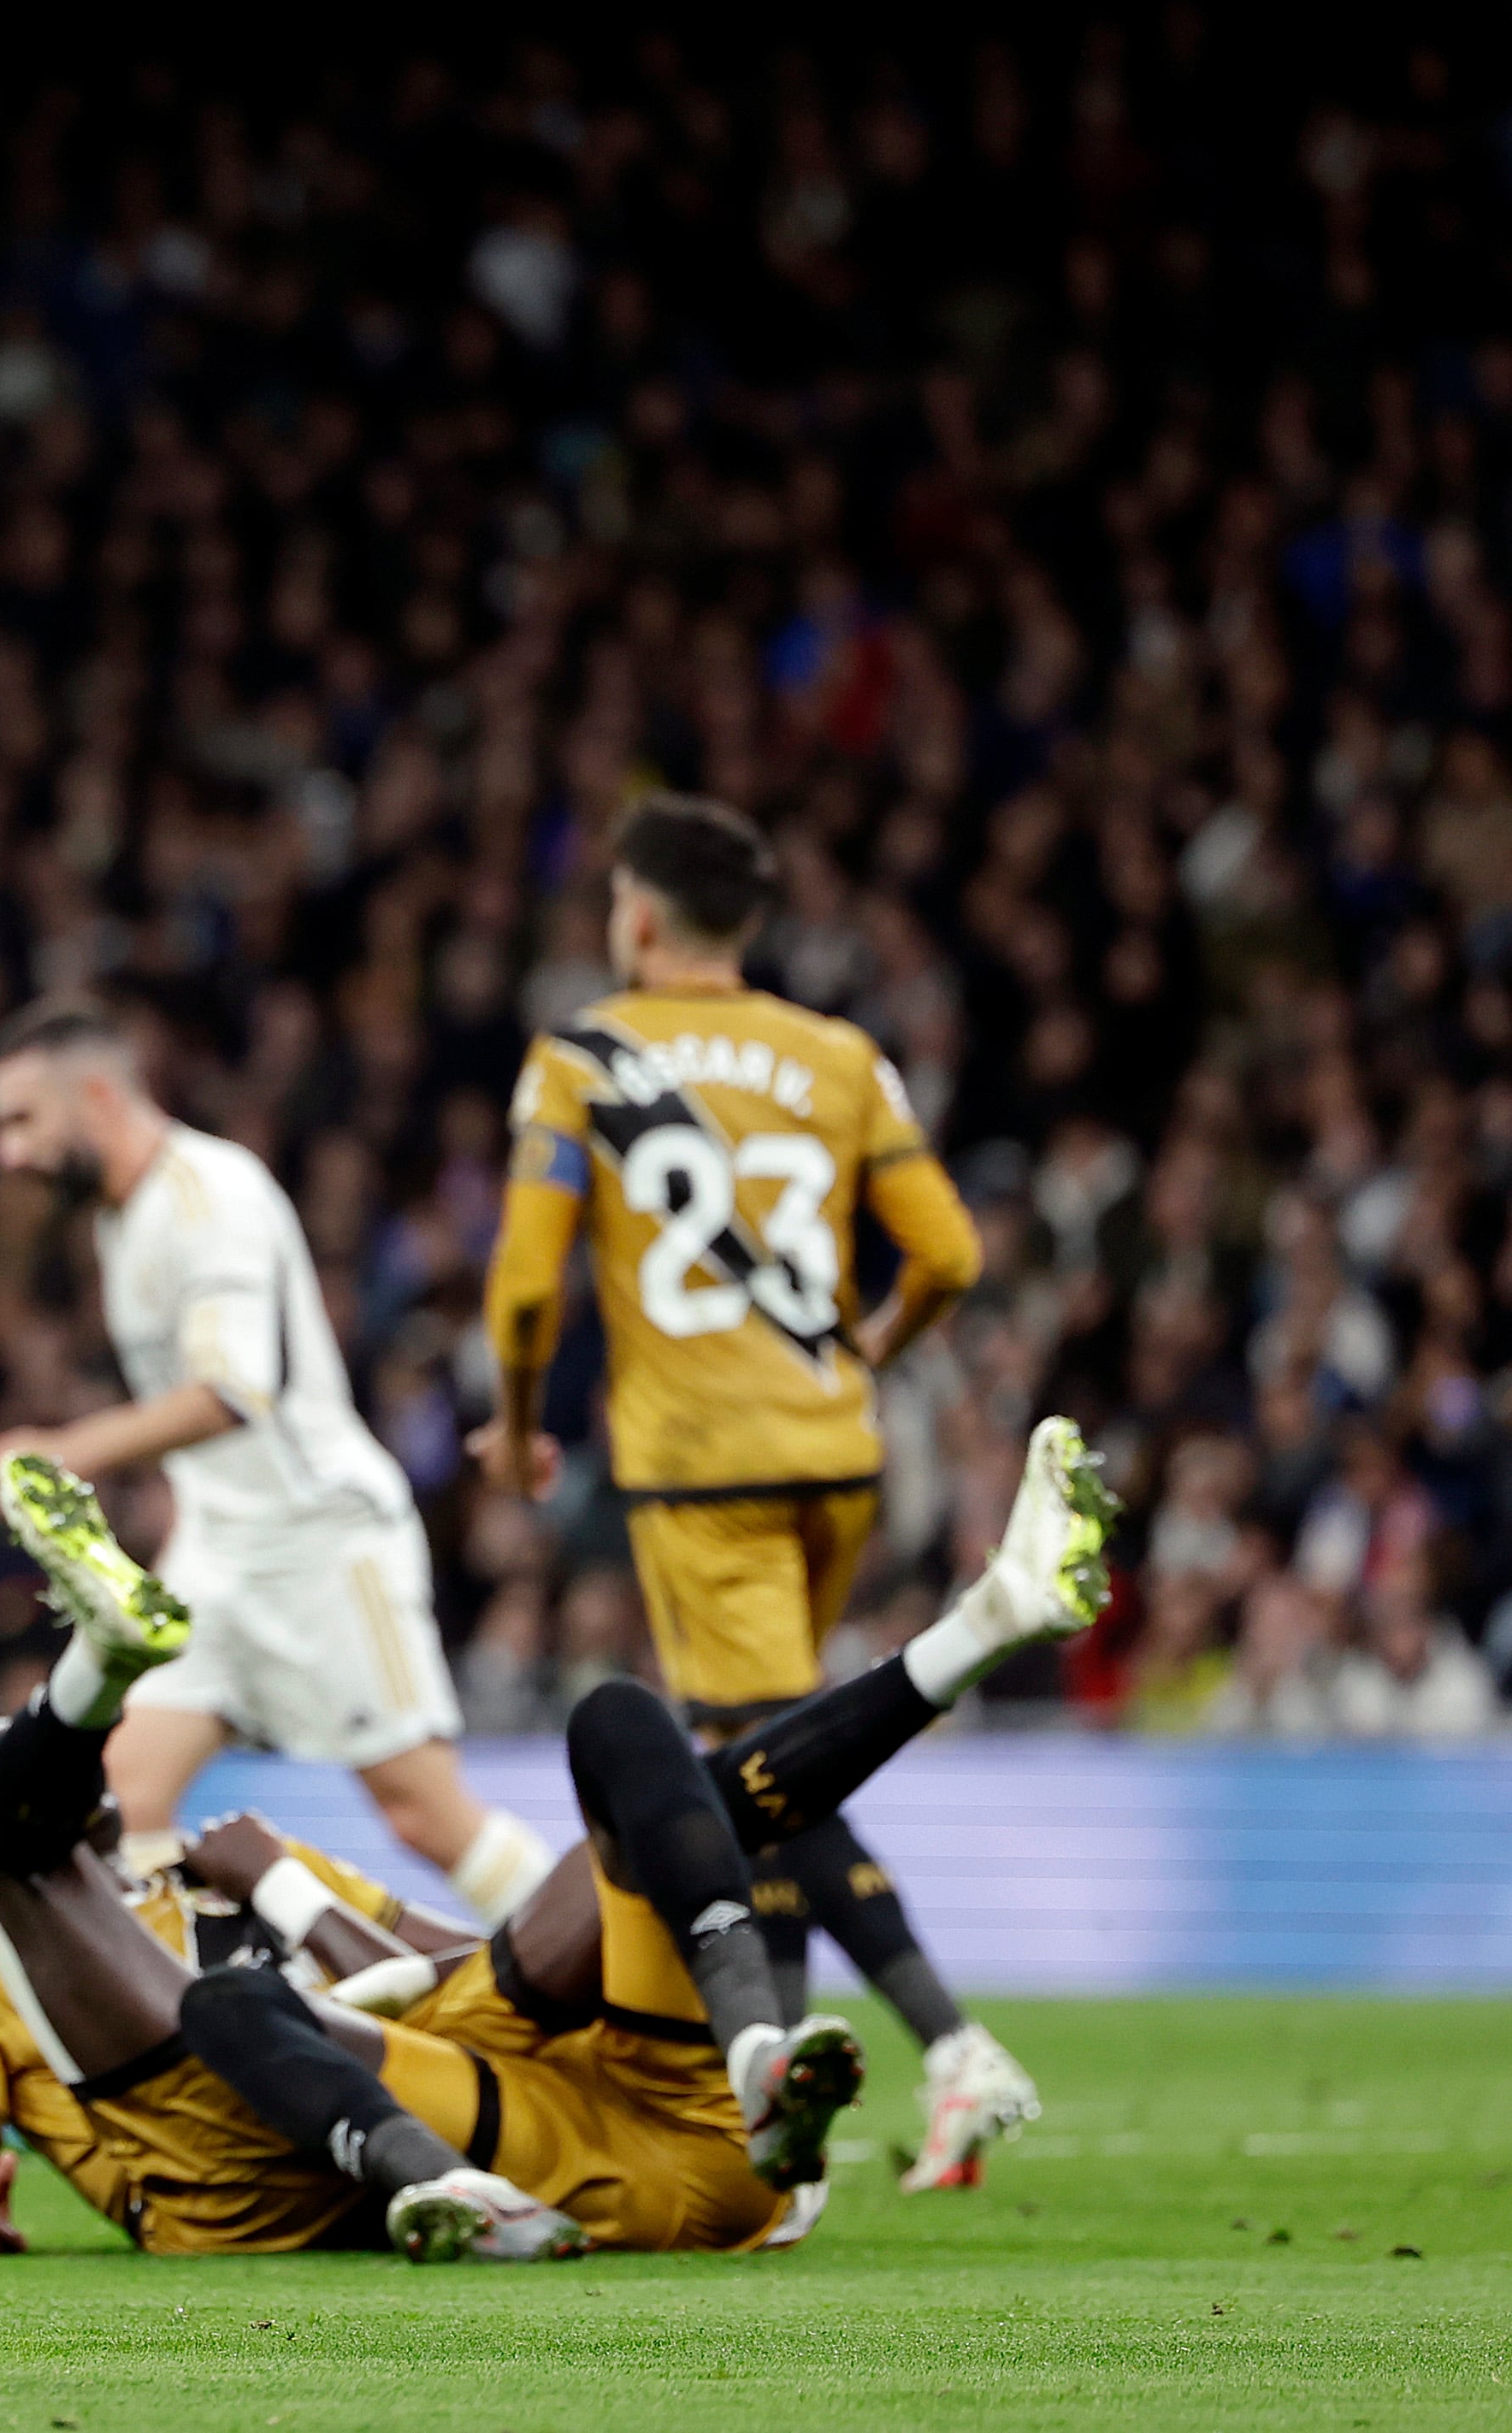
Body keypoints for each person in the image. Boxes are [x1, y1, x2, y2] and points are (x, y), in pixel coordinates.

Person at [0, 1425, 1111, 2263]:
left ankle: (745, 2045)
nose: (36, 1794)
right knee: (231, 2005)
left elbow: (458, 1960)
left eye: (18, 1756)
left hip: (536, 2103)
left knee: (624, 1732)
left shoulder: (229, 1854)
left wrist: (283, 1884)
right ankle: (980, 1629)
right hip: (257, 2159)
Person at [471, 792, 1031, 2194]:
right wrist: (867, 1353)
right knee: (761, 1770)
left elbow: (529, 1280)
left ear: (638, 917)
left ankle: (953, 2050)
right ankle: (781, 2084)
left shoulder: (577, 1059)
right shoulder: (837, 1053)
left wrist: (514, 1424)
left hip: (700, 1469)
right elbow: (947, 1252)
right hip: (837, 1457)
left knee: (761, 1766)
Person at [0, 998, 556, 1924]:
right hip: (218, 1554)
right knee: (123, 1798)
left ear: (94, 1095)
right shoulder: (125, 1217)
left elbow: (234, 1390)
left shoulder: (207, 1194)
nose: (6, 1151)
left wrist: (59, 1451)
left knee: (423, 1813)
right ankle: (188, 2030)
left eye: (20, 1119)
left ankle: (625, 1971)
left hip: (320, 1541)